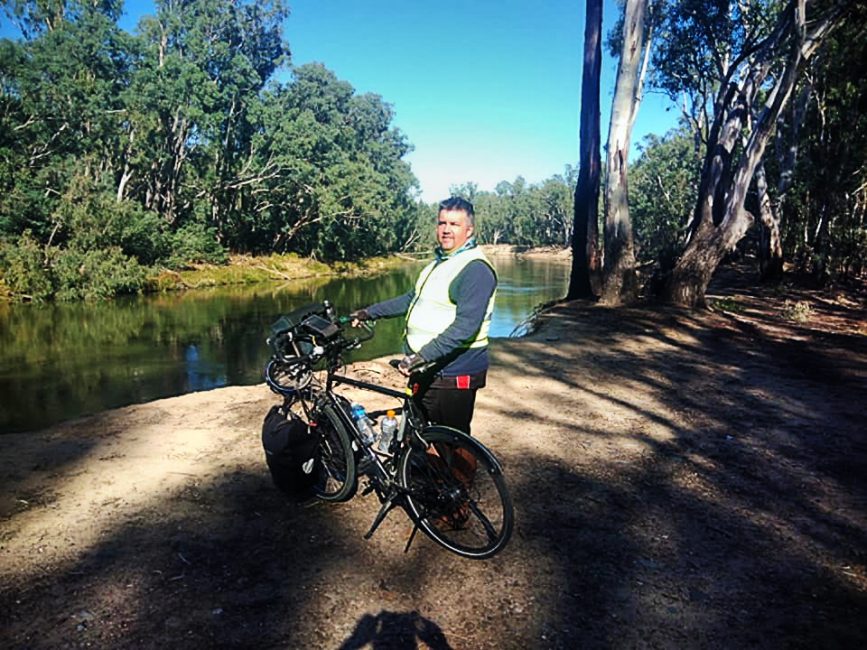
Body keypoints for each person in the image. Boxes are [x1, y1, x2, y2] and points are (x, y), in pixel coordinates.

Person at [351, 196, 497, 436]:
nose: (446, 230)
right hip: (427, 368)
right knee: (419, 435)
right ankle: (419, 473)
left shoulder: (475, 269)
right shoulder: (440, 264)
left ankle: (456, 475)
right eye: (442, 223)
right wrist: (369, 312)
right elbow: (412, 298)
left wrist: (419, 357)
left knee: (452, 441)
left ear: (469, 230)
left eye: (454, 224)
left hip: (452, 372)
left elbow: (466, 327)